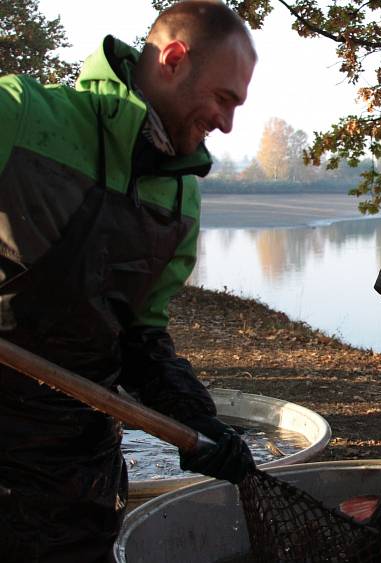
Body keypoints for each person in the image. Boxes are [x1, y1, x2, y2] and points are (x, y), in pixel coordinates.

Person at [0, 2, 258, 561]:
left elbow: (138, 337)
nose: (228, 123)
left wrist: (195, 418)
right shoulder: (20, 115)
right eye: (224, 98)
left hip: (77, 477)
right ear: (173, 59)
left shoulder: (182, 195)